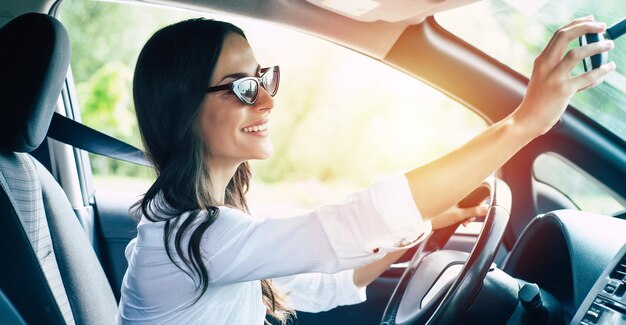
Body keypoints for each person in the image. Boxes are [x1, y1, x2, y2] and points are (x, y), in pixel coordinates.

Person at [115, 16, 615, 324]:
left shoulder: (200, 227)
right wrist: (525, 121)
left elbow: (320, 286)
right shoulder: (193, 239)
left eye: (263, 78)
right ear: (183, 108)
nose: (267, 99)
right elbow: (349, 224)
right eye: (243, 88)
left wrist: (425, 225)